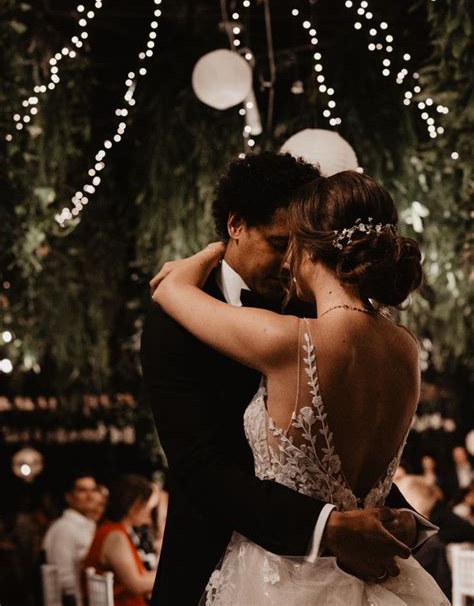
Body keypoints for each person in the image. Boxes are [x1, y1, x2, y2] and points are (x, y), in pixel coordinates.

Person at [141, 153, 435, 605]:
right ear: (236, 225)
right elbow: (199, 465)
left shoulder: (312, 316)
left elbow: (333, 456)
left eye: (296, 245)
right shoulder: (176, 321)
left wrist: (403, 519)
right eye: (280, 243)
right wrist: (328, 526)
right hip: (214, 564)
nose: (288, 262)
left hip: (339, 571)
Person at [81, 474, 157, 606]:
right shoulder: (115, 535)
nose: (147, 513)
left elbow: (141, 577)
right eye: (145, 506)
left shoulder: (110, 530)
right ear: (133, 506)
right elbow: (136, 584)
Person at [43, 471, 97, 605]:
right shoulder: (64, 528)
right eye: (82, 490)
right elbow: (64, 579)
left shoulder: (89, 524)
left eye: (93, 490)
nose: (90, 496)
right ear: (69, 497)